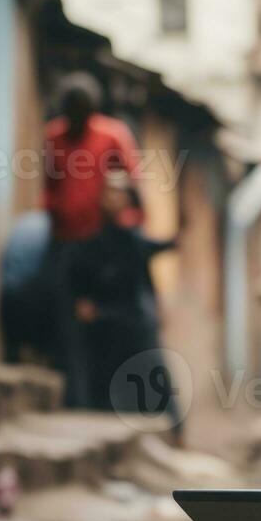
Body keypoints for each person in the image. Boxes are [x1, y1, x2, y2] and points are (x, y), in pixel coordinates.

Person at [42, 73, 143, 407]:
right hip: (66, 243)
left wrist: (124, 231)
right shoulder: (54, 137)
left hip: (103, 249)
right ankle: (77, 400)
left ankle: (112, 401)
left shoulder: (111, 135)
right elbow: (49, 185)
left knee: (117, 324)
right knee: (66, 323)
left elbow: (132, 186)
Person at [67, 170, 181, 436]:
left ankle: (173, 434)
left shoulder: (132, 240)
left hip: (134, 323)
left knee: (153, 379)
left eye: (119, 192)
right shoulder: (89, 241)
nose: (112, 197)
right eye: (108, 191)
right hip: (104, 325)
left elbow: (149, 264)